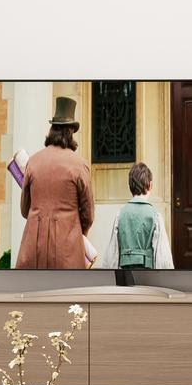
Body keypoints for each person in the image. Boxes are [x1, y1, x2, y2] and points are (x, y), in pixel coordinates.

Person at [16, 96, 95, 270]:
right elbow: (88, 215)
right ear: (70, 132)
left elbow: (24, 209)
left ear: (52, 130)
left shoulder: (33, 162)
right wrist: (76, 231)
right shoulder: (79, 165)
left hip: (33, 250)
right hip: (68, 250)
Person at [99, 162, 173, 270]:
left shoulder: (120, 214)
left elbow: (112, 253)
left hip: (125, 272)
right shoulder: (155, 216)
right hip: (147, 274)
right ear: (150, 185)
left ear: (130, 186)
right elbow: (162, 256)